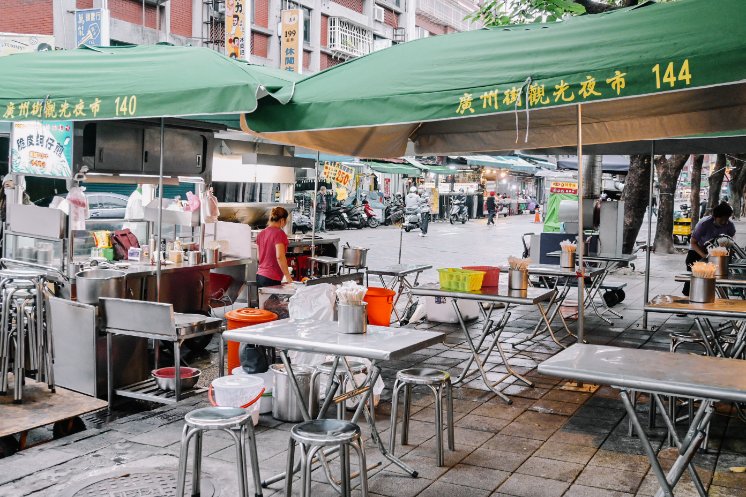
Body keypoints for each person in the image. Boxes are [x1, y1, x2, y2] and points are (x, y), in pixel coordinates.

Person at [682, 202, 736, 296]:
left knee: (715, 279)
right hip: (697, 252)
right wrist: (705, 256)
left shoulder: (729, 225)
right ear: (715, 216)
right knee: (693, 280)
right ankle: (687, 302)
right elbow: (693, 242)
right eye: (721, 219)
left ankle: (720, 299)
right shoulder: (704, 224)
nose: (724, 222)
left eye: (726, 219)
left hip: (715, 254)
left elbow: (730, 240)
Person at [256, 206, 293, 288]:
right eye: (286, 221)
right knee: (274, 301)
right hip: (271, 278)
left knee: (263, 301)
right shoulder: (279, 233)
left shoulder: (261, 233)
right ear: (282, 220)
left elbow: (258, 257)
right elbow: (280, 256)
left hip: (260, 276)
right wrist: (287, 276)